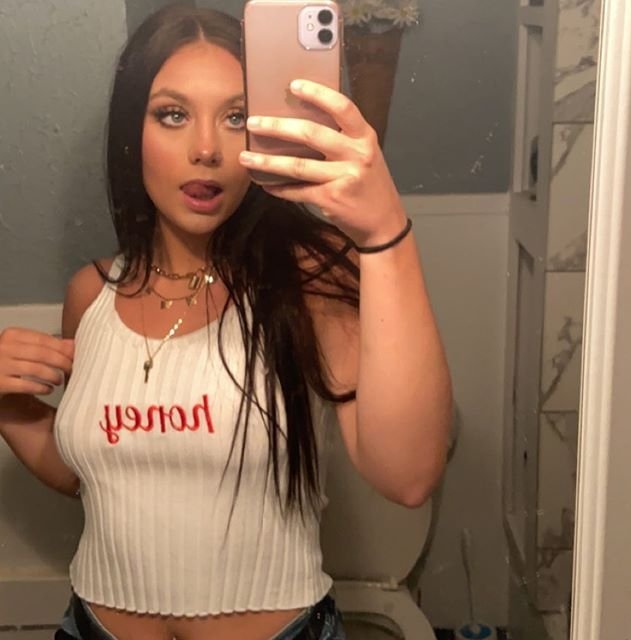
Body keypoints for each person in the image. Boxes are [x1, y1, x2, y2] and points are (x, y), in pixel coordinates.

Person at [0, 4, 452, 639]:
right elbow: (93, 473)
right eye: (173, 114)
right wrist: (6, 406)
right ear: (132, 132)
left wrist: (384, 235)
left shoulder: (309, 279)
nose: (208, 149)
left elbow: (409, 478)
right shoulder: (91, 293)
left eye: (236, 117)